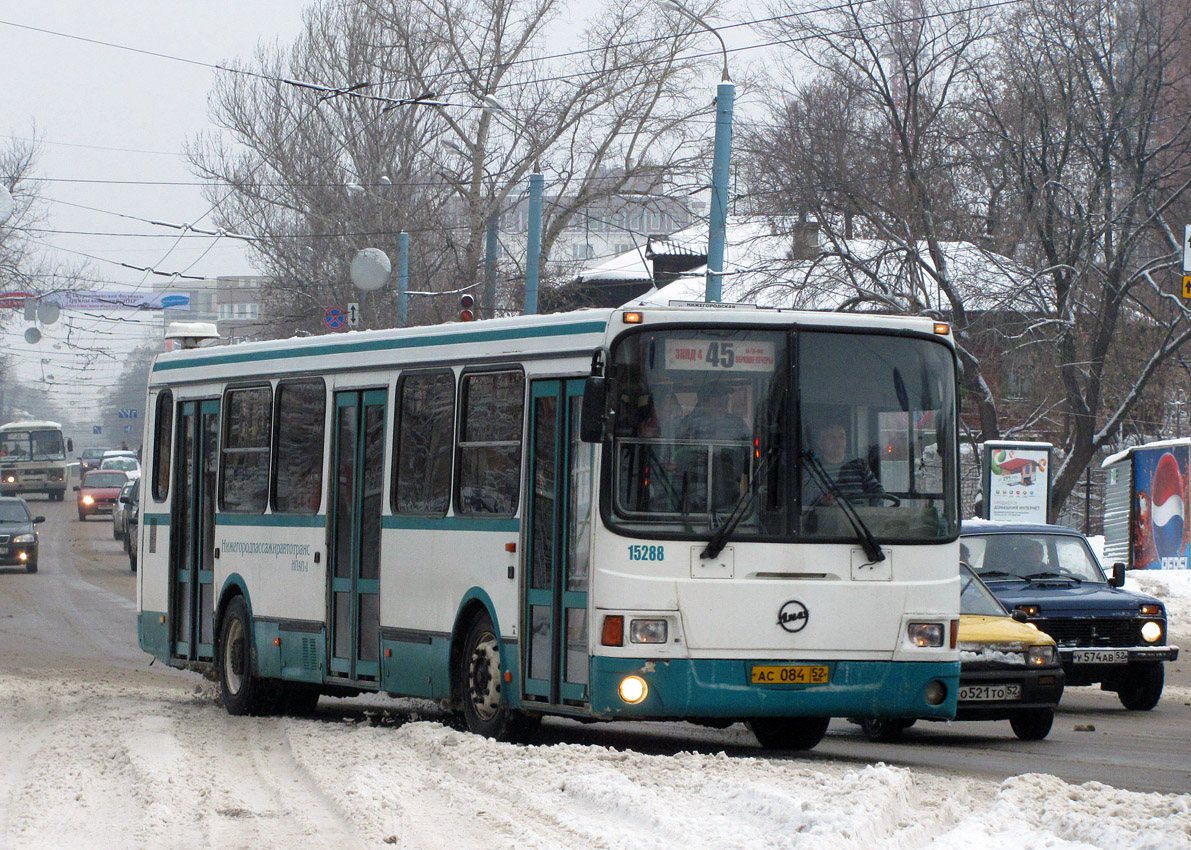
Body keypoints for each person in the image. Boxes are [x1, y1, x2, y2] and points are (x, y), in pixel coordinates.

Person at [805, 422, 884, 506]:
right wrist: (823, 501)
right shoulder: (813, 468)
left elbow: (877, 491)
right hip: (828, 517)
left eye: (841, 436)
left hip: (859, 517)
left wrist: (873, 510)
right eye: (831, 437)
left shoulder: (859, 465)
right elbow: (812, 498)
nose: (837, 441)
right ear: (820, 443)